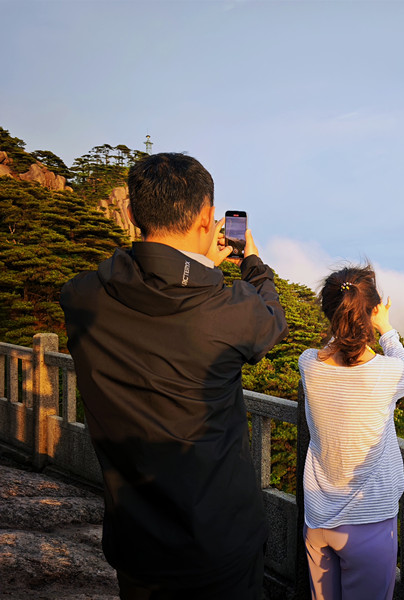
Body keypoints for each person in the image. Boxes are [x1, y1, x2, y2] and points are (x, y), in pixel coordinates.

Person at [60, 152, 288, 599]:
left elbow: (149, 296)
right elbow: (271, 319)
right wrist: (251, 263)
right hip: (220, 548)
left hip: (137, 546)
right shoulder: (229, 312)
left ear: (129, 215)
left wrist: (194, 273)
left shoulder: (83, 298)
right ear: (208, 218)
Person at [298, 265, 404, 600]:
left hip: (318, 519)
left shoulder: (308, 364)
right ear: (372, 312)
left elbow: (333, 351)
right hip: (370, 522)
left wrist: (348, 322)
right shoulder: (388, 373)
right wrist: (386, 329)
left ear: (328, 313)